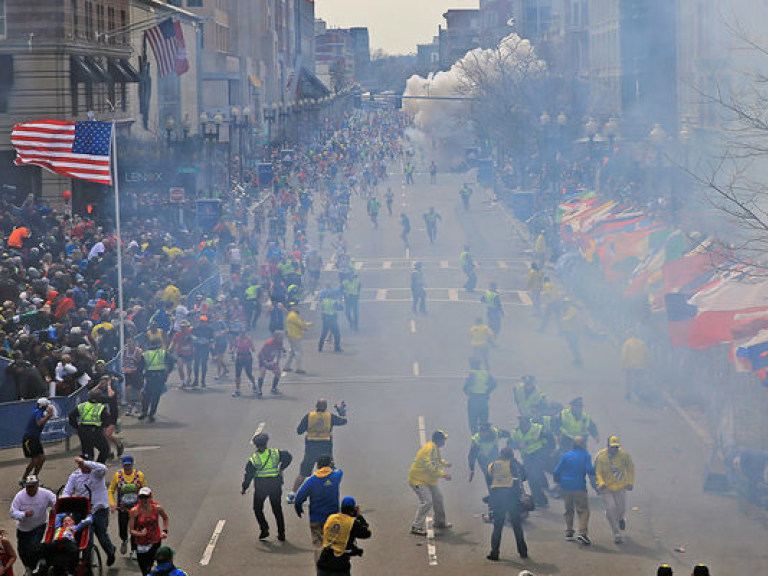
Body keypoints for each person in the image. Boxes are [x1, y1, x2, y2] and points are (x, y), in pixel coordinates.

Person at [62, 457, 116, 565]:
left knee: (102, 536)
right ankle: (86, 563)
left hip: (99, 509)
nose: (82, 467)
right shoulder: (75, 476)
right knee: (86, 539)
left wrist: (85, 462)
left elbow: (104, 468)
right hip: (83, 511)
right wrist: (64, 503)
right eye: (80, 465)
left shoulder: (97, 473)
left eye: (84, 465)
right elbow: (67, 491)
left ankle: (110, 552)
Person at [290, 399, 348, 500]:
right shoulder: (330, 416)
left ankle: (292, 494)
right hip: (325, 449)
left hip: (311, 448)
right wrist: (341, 410)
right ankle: (332, 494)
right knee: (330, 472)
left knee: (303, 472)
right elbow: (344, 421)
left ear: (316, 406)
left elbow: (299, 431)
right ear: (325, 407)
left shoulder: (309, 416)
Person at [241, 433, 293, 541]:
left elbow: (248, 474)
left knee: (257, 508)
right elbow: (288, 456)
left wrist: (244, 487)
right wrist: (281, 468)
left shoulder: (254, 459)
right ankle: (281, 533)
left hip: (261, 487)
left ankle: (264, 529)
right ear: (266, 443)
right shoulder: (275, 453)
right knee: (277, 509)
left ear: (255, 445)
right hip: (275, 485)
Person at [294, 455, 343, 561]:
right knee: (333, 543)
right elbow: (339, 471)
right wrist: (332, 466)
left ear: (317, 466)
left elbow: (299, 498)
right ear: (330, 464)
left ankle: (321, 568)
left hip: (316, 518)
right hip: (333, 518)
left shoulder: (311, 480)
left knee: (319, 545)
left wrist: (298, 509)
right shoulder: (336, 476)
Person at [552, 436, 597, 546]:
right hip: (579, 486)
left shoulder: (566, 456)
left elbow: (556, 471)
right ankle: (582, 532)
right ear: (583, 445)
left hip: (566, 487)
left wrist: (558, 483)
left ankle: (569, 532)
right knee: (583, 510)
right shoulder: (586, 456)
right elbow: (589, 470)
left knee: (568, 509)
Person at [486, 447, 528, 561]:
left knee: (497, 526)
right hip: (511, 498)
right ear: (511, 455)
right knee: (516, 526)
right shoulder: (514, 464)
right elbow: (524, 476)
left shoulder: (493, 464)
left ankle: (494, 553)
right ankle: (523, 551)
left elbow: (489, 479)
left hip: (497, 498)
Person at [10, 475, 56, 575]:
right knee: (22, 551)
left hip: (39, 525)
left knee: (34, 547)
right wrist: (23, 514)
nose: (30, 489)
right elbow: (12, 512)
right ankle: (28, 567)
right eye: (28, 487)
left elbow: (56, 502)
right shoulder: (20, 496)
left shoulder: (45, 494)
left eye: (33, 486)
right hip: (23, 528)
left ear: (37, 486)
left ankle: (37, 562)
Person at [408, 430, 452, 535]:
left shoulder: (434, 448)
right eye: (443, 439)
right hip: (419, 480)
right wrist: (443, 474)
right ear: (439, 440)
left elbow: (437, 460)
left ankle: (440, 522)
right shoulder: (430, 449)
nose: (444, 441)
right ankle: (416, 526)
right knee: (427, 502)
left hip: (428, 480)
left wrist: (445, 463)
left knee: (438, 497)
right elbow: (430, 467)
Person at [594, 435, 635, 543]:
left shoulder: (624, 455)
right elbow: (597, 472)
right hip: (606, 488)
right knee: (611, 507)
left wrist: (630, 482)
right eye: (612, 447)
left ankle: (621, 519)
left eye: (616, 447)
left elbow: (630, 468)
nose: (615, 449)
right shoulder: (600, 456)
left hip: (620, 487)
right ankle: (616, 532)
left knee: (621, 509)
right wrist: (601, 483)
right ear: (607, 446)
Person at [316, 496, 371, 576]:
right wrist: (359, 516)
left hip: (324, 561)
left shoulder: (331, 518)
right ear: (353, 510)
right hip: (340, 566)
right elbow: (367, 533)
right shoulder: (353, 523)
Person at [509, 416, 552, 508]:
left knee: (533, 476)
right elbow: (510, 443)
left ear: (528, 424)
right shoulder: (516, 433)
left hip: (538, 454)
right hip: (526, 457)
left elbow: (549, 438)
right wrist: (517, 445)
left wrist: (548, 451)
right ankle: (541, 499)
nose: (523, 427)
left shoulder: (537, 429)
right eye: (522, 426)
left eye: (525, 425)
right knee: (532, 478)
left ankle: (540, 499)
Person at [109, 455, 147, 559]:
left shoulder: (139, 475)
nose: (127, 468)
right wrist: (112, 504)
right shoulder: (118, 475)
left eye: (129, 465)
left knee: (135, 529)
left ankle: (134, 550)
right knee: (122, 528)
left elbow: (145, 491)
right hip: (123, 508)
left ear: (132, 465)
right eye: (125, 466)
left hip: (136, 509)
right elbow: (111, 490)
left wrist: (147, 504)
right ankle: (124, 539)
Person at [129, 487, 169, 576]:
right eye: (142, 498)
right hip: (141, 543)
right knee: (144, 569)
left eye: (146, 497)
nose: (144, 500)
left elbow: (165, 518)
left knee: (148, 567)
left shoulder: (157, 508)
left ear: (151, 498)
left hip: (155, 541)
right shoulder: (134, 511)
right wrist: (140, 534)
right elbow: (131, 531)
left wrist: (164, 531)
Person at [67, 388, 110, 463]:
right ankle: (98, 466)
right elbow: (106, 420)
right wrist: (102, 427)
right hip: (95, 431)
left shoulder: (82, 406)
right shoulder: (101, 407)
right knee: (105, 449)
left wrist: (77, 427)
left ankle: (86, 469)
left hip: (83, 431)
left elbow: (71, 415)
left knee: (87, 454)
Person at [20, 398, 54, 485]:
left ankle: (34, 478)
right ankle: (23, 479)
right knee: (35, 460)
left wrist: (47, 416)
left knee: (42, 459)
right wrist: (48, 416)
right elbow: (39, 423)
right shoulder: (37, 412)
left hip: (35, 438)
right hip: (29, 439)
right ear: (43, 406)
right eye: (46, 406)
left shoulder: (39, 411)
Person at [138, 337, 172, 423]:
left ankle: (144, 412)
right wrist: (167, 373)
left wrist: (141, 377)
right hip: (160, 377)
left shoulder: (145, 354)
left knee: (146, 395)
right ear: (159, 344)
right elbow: (172, 362)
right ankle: (151, 414)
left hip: (149, 377)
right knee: (155, 397)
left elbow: (140, 367)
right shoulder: (164, 353)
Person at [468, 422, 511, 487]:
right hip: (483, 460)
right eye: (482, 431)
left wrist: (511, 443)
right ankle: (492, 492)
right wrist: (472, 469)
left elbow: (508, 434)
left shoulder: (496, 433)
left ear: (489, 430)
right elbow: (471, 456)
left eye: (486, 431)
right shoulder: (476, 440)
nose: (484, 433)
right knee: (488, 475)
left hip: (494, 456)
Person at [462, 357, 497, 434]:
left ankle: (475, 441)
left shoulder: (472, 373)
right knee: (484, 423)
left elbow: (465, 387)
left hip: (474, 399)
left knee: (473, 423)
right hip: (483, 399)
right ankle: (483, 440)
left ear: (471, 365)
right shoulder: (485, 374)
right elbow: (494, 384)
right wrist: (487, 392)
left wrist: (467, 392)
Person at [621, 333, 650, 401]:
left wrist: (623, 364)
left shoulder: (627, 343)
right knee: (639, 380)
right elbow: (647, 355)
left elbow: (624, 355)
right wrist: (647, 364)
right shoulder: (642, 344)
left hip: (629, 365)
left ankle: (628, 393)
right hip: (640, 365)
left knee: (628, 380)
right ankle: (639, 392)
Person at [284, 306, 312, 374]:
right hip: (295, 336)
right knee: (299, 352)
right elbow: (301, 324)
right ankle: (299, 368)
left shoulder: (292, 315)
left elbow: (297, 325)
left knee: (292, 352)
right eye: (296, 307)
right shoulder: (293, 316)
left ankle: (286, 366)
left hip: (292, 335)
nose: (298, 308)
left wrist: (303, 328)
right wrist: (310, 324)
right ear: (292, 308)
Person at [257, 331, 285, 395]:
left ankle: (273, 388)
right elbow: (261, 353)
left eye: (282, 338)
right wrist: (265, 362)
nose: (282, 339)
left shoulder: (280, 343)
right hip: (263, 359)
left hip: (271, 360)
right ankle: (259, 390)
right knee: (262, 372)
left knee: (278, 373)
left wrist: (277, 362)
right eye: (280, 338)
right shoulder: (270, 343)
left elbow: (279, 352)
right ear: (276, 337)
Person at [232, 331, 258, 397]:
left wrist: (251, 345)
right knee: (238, 374)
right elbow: (234, 347)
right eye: (241, 333)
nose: (242, 335)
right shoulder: (237, 339)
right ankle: (237, 390)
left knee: (249, 373)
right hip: (239, 358)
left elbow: (253, 349)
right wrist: (232, 351)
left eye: (243, 333)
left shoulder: (248, 340)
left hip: (247, 358)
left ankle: (254, 384)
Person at [168, 320, 193, 388]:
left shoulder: (190, 332)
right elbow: (173, 341)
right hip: (180, 353)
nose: (183, 328)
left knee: (189, 367)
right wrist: (170, 348)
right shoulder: (178, 334)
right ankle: (182, 381)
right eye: (181, 327)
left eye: (184, 327)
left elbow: (194, 339)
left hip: (189, 352)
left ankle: (188, 378)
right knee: (180, 366)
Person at [561, 297, 582, 366]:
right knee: (571, 346)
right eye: (564, 302)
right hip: (568, 331)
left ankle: (578, 360)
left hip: (573, 331)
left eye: (567, 302)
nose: (565, 304)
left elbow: (567, 318)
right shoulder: (566, 309)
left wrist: (562, 318)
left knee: (574, 346)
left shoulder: (572, 309)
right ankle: (576, 359)